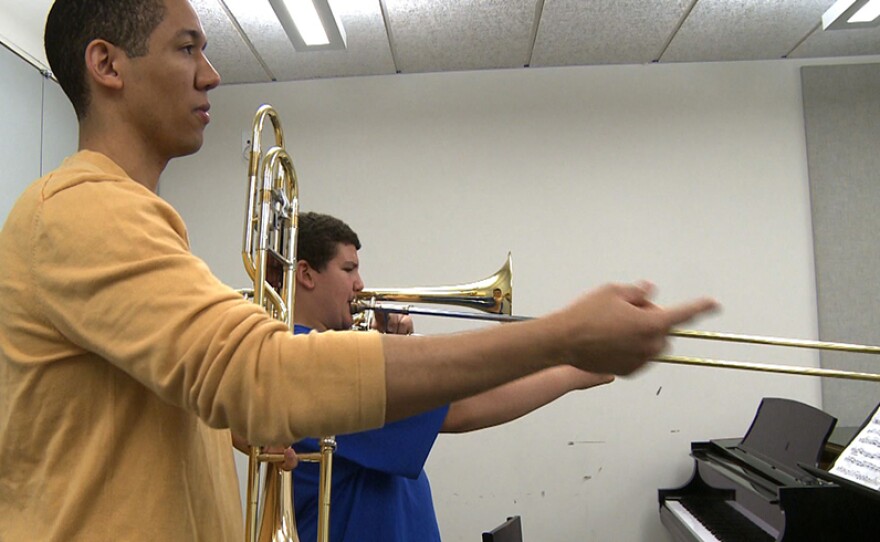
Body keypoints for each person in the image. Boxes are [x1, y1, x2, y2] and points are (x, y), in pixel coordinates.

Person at [0, 0, 717, 540]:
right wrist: (559, 340)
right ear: (108, 65)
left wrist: (224, 434)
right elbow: (260, 374)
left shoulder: (131, 224)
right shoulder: (81, 210)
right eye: (187, 47)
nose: (211, 74)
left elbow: (132, 420)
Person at [289, 212, 617, 541]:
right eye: (348, 270)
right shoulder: (313, 365)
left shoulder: (323, 353)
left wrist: (396, 355)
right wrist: (573, 369)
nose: (360, 284)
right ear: (306, 274)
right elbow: (464, 406)